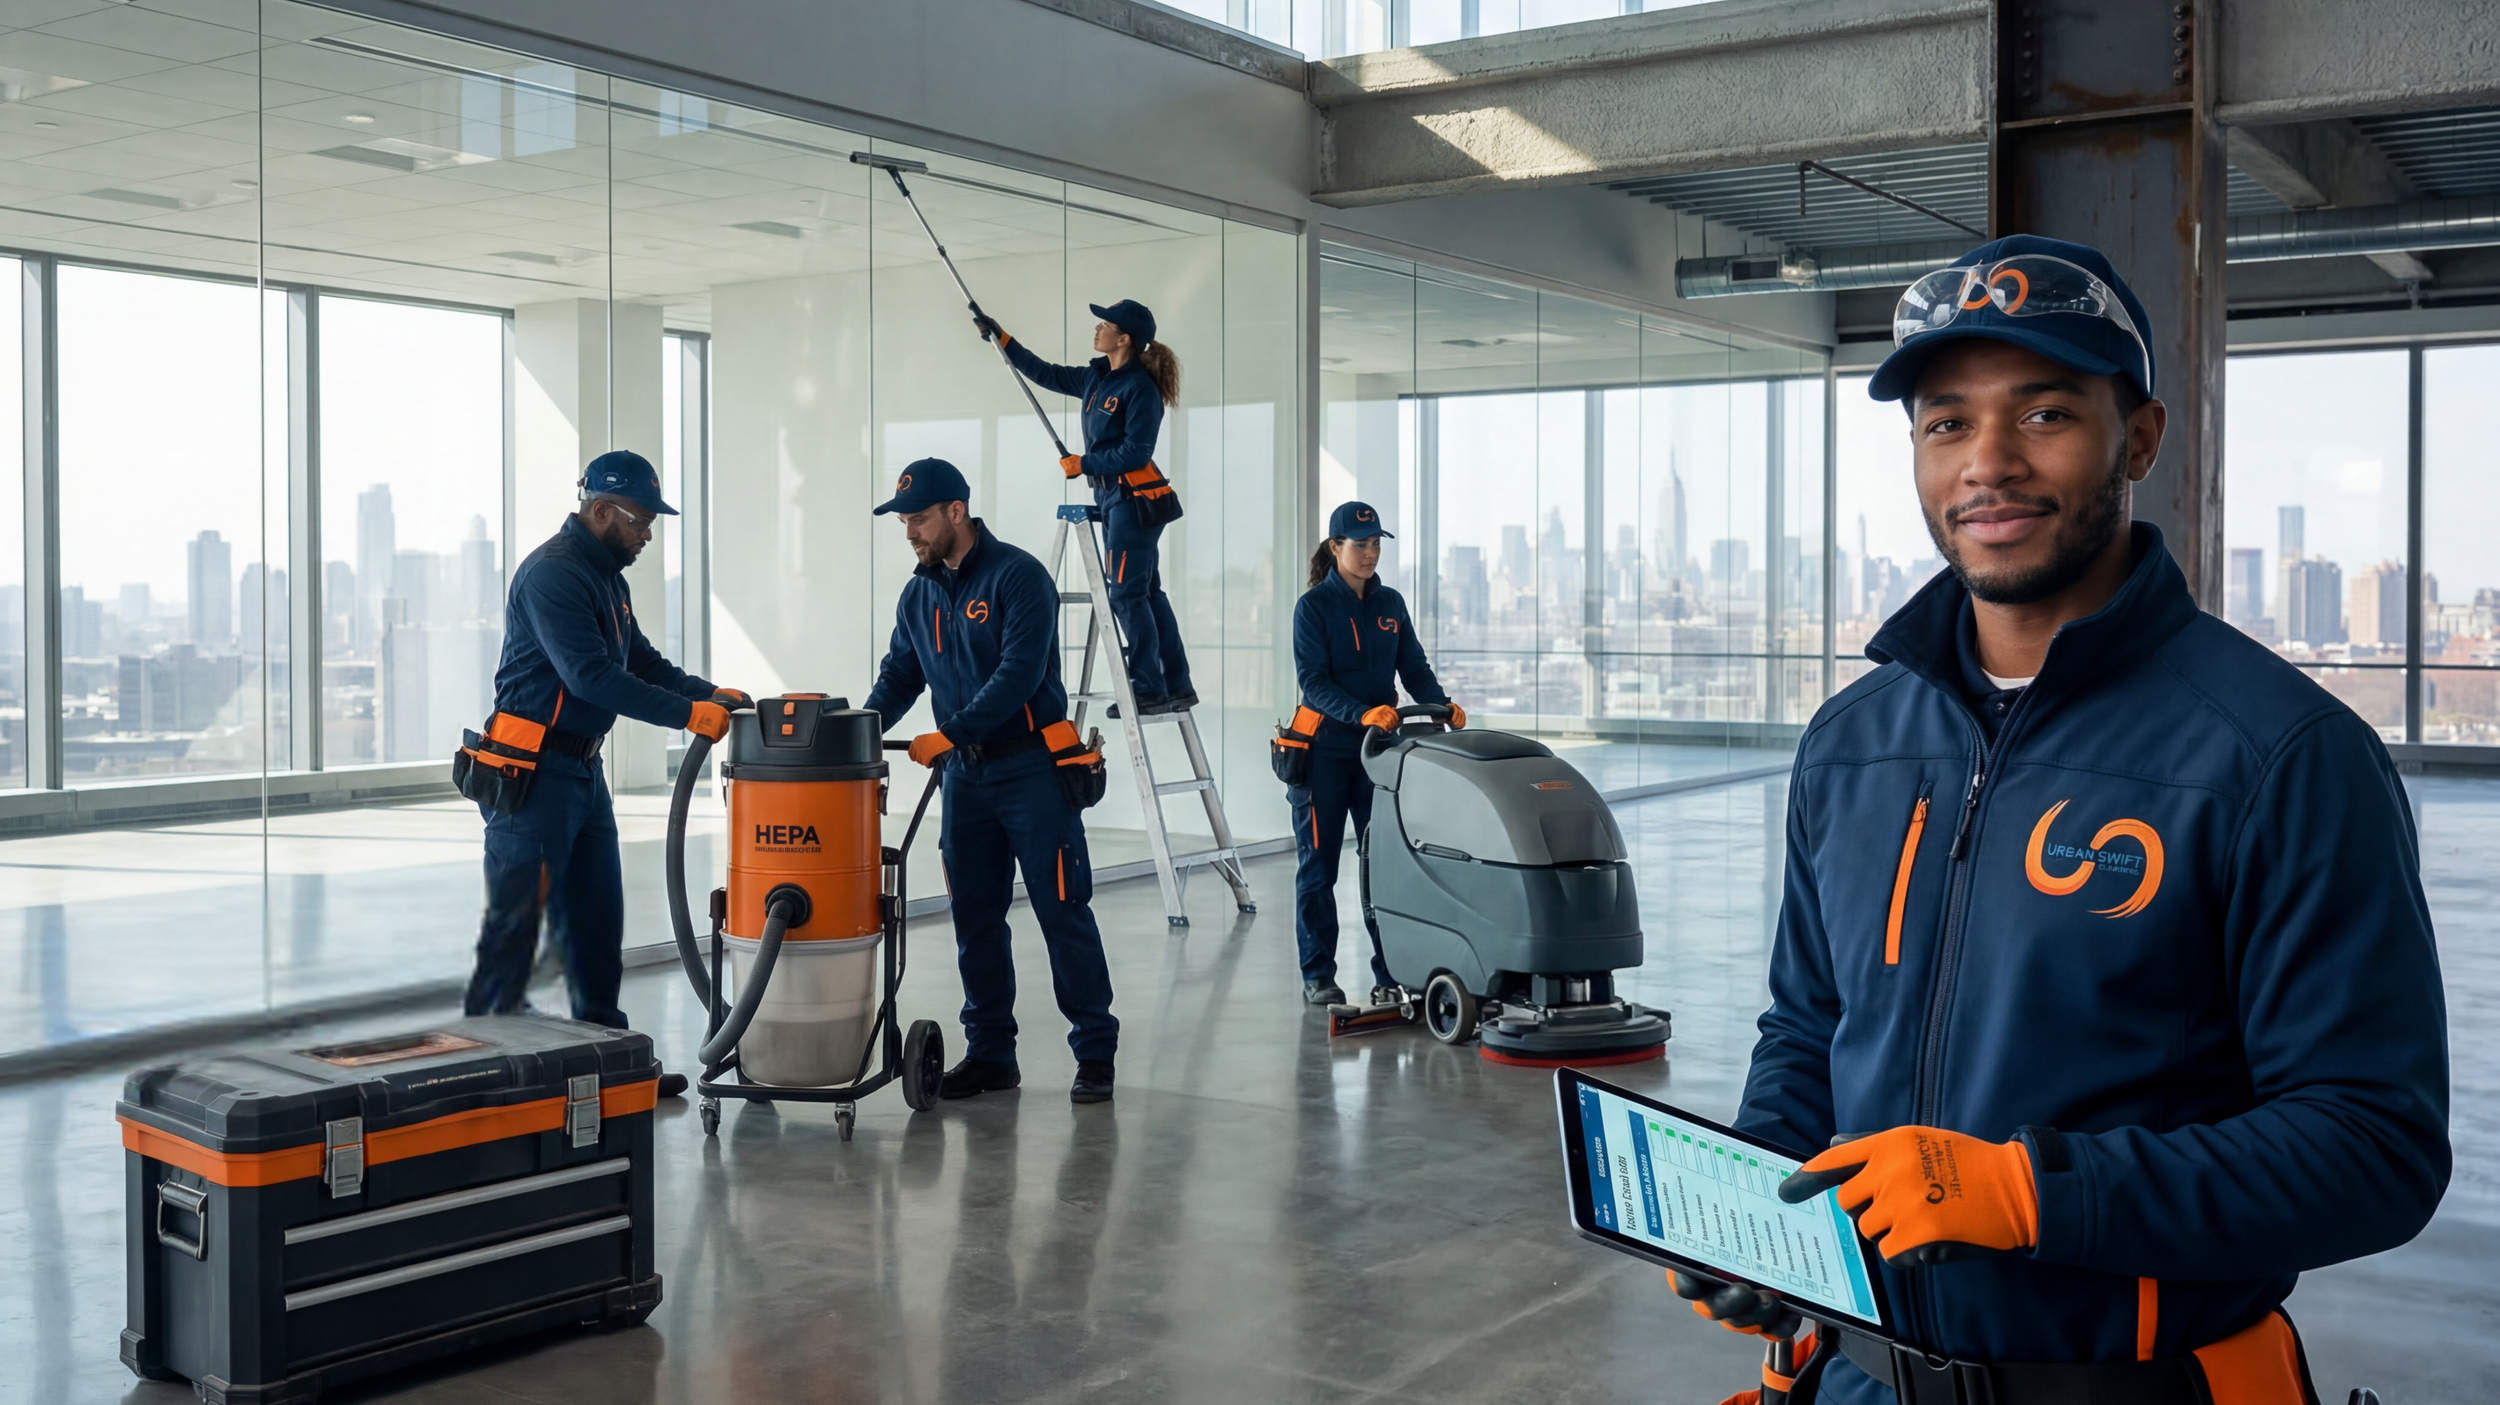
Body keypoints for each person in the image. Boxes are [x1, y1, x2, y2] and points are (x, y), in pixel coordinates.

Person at [1674, 236, 2449, 1404]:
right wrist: (1762, 1199)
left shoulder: (2276, 754)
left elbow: (2371, 1145)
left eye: (2042, 414)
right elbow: (1810, 1029)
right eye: (1946, 424)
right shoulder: (1852, 743)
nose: (1987, 463)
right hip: (1855, 1384)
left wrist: (2036, 1193)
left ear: (2135, 438)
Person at [465, 450, 745, 1099]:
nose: (648, 533)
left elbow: (638, 660)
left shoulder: (606, 577)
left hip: (581, 774)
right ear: (600, 511)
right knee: (515, 924)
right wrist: (686, 714)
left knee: (595, 923)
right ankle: (482, 1074)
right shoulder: (554, 575)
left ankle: (608, 1068)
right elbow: (589, 675)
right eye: (641, 520)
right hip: (531, 775)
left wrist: (710, 693)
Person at [861, 457, 1121, 1104]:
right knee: (975, 918)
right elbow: (901, 676)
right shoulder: (919, 593)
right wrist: (859, 730)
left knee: (1062, 910)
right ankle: (991, 1055)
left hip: (1031, 769)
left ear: (957, 511)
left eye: (918, 518)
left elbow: (1019, 674)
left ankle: (1094, 1052)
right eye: (903, 521)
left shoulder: (1019, 577)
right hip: (966, 782)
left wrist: (950, 732)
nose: (909, 532)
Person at [974, 298, 1195, 714]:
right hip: (1112, 497)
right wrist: (1002, 338)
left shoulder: (1139, 389)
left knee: (1129, 595)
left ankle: (1149, 689)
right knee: (1146, 592)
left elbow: (1136, 452)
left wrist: (1084, 463)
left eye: (1105, 325)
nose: (1097, 330)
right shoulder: (1096, 380)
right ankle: (1176, 684)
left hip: (1134, 500)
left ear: (1124, 339)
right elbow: (1045, 373)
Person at [1286, 502, 1461, 1007]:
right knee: (1318, 868)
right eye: (1359, 544)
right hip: (1322, 754)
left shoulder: (1390, 603)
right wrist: (1361, 712)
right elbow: (1313, 683)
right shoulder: (1313, 608)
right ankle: (1318, 974)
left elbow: (1413, 666)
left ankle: (1392, 972)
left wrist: (1441, 706)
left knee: (1381, 866)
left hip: (1376, 756)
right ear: (1335, 547)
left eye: (1376, 543)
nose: (1370, 553)